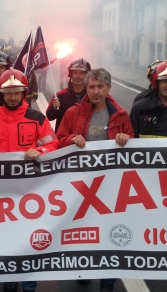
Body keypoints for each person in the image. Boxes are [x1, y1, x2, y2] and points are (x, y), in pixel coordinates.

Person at [0, 67, 58, 292]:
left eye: (17, 92)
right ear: (0, 94)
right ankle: (9, 278)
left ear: (24, 93)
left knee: (29, 241)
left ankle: (29, 285)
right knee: (7, 240)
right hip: (0, 195)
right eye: (8, 92)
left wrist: (41, 152)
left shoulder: (37, 118)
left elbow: (53, 144)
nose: (12, 96)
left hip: (31, 193)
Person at [56, 68, 133, 292]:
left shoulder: (120, 115)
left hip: (111, 187)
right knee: (84, 231)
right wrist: (71, 138)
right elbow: (58, 141)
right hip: (81, 186)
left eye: (100, 87)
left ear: (109, 88)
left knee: (110, 233)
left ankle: (107, 283)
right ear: (86, 89)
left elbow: (134, 147)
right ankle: (85, 268)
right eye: (91, 87)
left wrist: (125, 138)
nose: (95, 91)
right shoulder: (72, 113)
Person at [46, 58, 90, 132]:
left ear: (87, 75)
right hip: (64, 139)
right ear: (71, 74)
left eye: (81, 73)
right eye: (75, 73)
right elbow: (49, 117)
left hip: (85, 140)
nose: (78, 76)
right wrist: (54, 109)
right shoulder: (59, 96)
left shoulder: (91, 96)